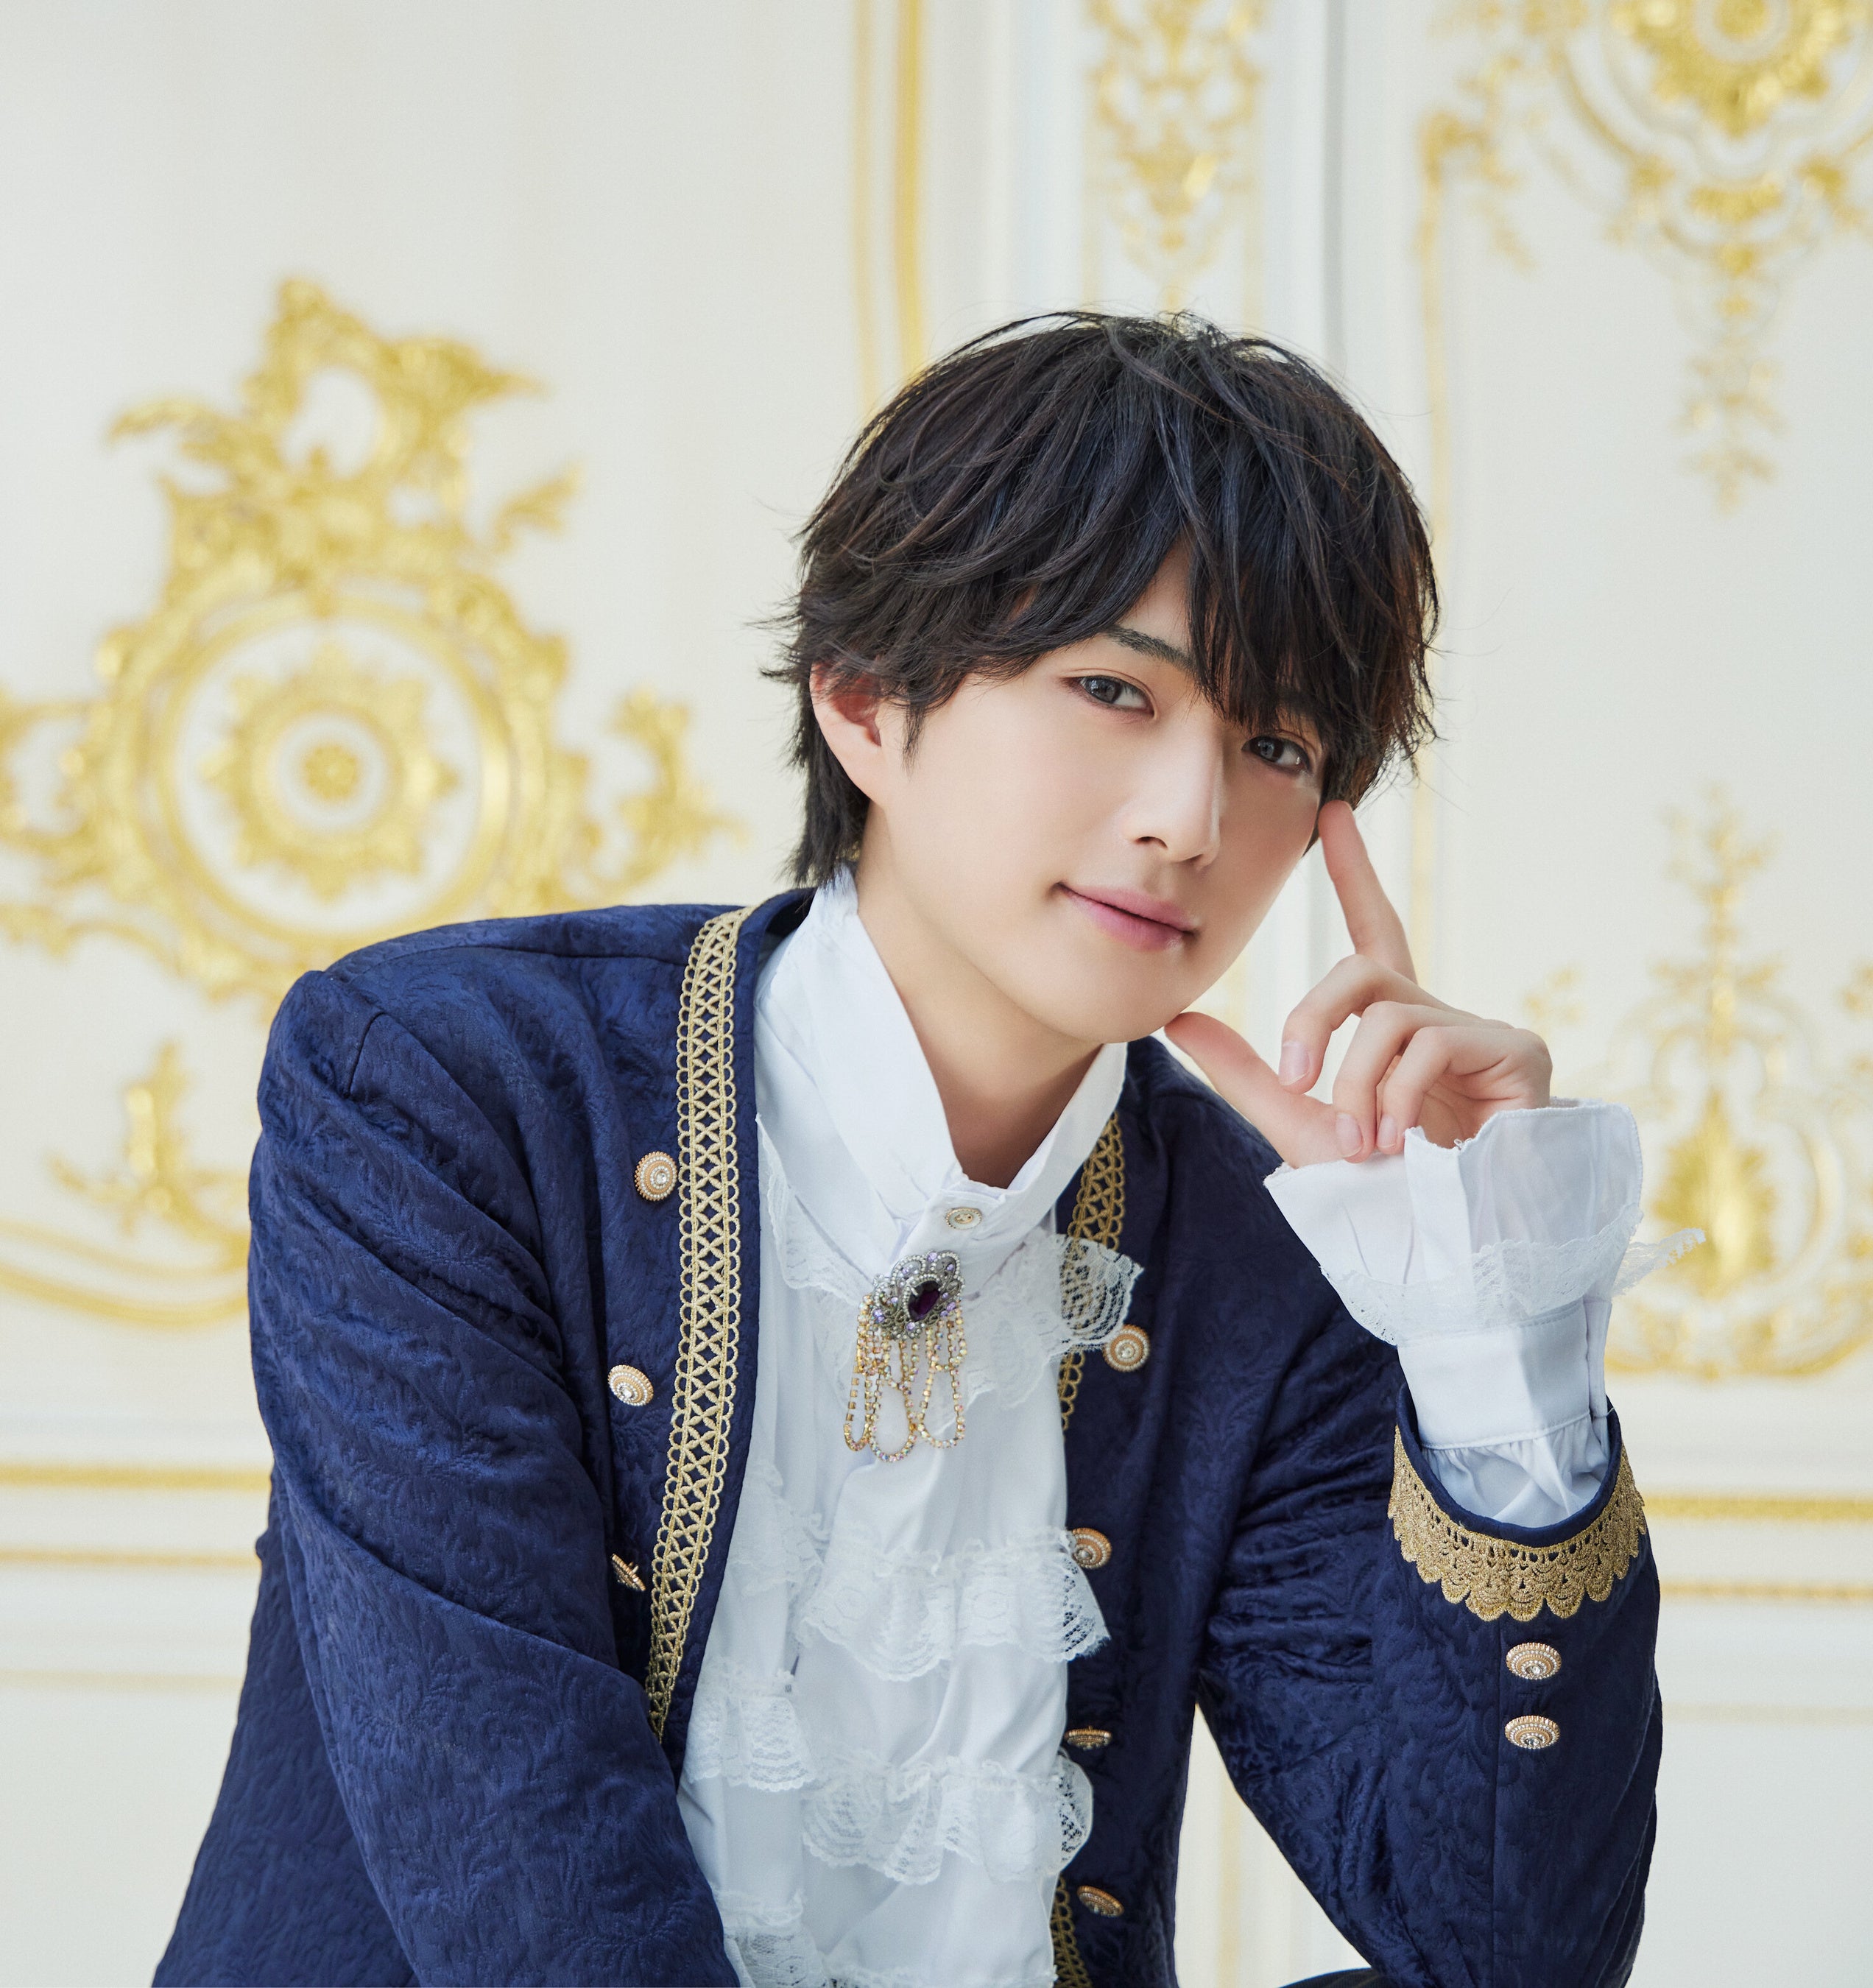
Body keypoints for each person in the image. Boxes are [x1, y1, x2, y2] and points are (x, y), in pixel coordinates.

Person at [158, 316, 1668, 1988]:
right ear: (867, 700)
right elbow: (518, 1870)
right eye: (1114, 691)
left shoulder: (1265, 1243)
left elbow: (1506, 1950)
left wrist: (1490, 1318)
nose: (1189, 820)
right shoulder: (449, 1088)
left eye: (1276, 747)